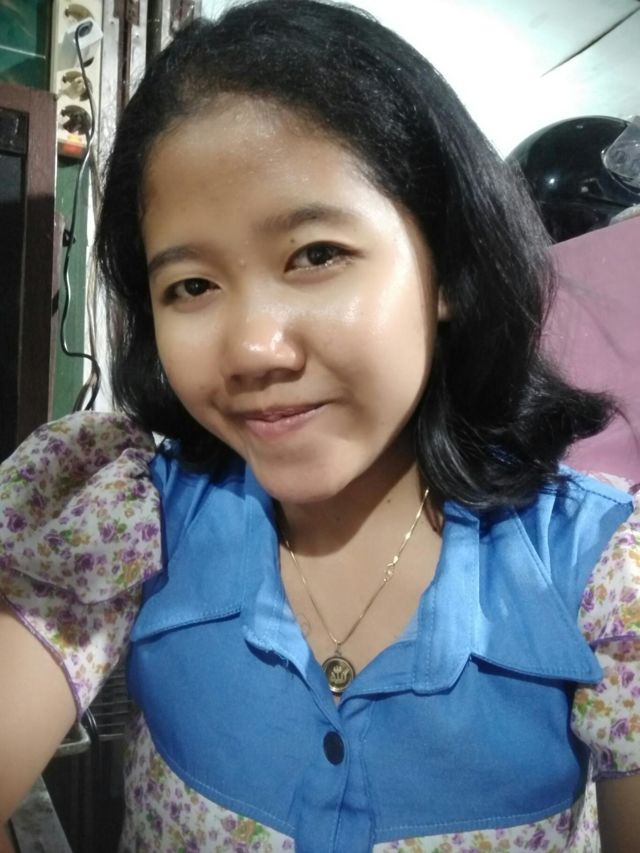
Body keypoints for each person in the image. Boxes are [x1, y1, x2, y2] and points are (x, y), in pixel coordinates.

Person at [1, 0, 639, 849]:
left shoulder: (599, 577)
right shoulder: (129, 522)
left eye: (315, 255)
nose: (252, 350)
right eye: (191, 286)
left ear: (447, 269)